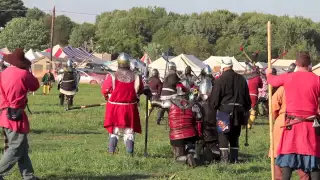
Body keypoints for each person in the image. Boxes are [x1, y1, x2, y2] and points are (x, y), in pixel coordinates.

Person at [267, 52, 320, 180]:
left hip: (292, 124)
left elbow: (272, 81)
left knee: (288, 158)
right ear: (309, 64)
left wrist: (268, 72)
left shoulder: (288, 77)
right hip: (310, 125)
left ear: (296, 63)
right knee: (313, 157)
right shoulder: (317, 79)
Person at [0, 48, 40, 180]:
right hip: (14, 115)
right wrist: (28, 72)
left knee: (22, 146)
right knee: (16, 147)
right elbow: (35, 86)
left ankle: (28, 176)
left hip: (4, 113)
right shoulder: (24, 74)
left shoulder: (3, 73)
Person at [101, 52, 147, 155]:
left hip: (114, 108)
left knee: (114, 131)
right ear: (128, 63)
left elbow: (105, 90)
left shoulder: (112, 76)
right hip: (130, 108)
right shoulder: (136, 77)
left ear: (118, 63)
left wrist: (107, 98)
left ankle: (111, 152)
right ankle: (129, 153)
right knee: (129, 132)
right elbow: (140, 91)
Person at [269, 64, 310, 180]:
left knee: (282, 154)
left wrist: (276, 118)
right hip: (300, 121)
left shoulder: (283, 88)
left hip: (285, 121)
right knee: (301, 153)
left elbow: (273, 106)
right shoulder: (306, 86)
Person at [210, 58, 251, 163]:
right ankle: (234, 158)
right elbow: (247, 98)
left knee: (223, 134)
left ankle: (225, 159)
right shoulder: (242, 79)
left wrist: (213, 107)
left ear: (223, 67)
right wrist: (246, 109)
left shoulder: (220, 80)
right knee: (235, 134)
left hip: (224, 110)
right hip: (239, 111)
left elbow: (214, 99)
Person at [168, 82, 200, 167]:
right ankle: (191, 153)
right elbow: (199, 118)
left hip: (177, 135)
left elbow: (155, 102)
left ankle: (186, 158)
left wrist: (148, 92)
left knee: (178, 157)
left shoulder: (169, 103)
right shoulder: (192, 104)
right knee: (190, 146)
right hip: (191, 134)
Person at [194, 78, 220, 163]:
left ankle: (204, 154)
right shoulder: (214, 101)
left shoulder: (197, 102)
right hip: (205, 133)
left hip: (209, 132)